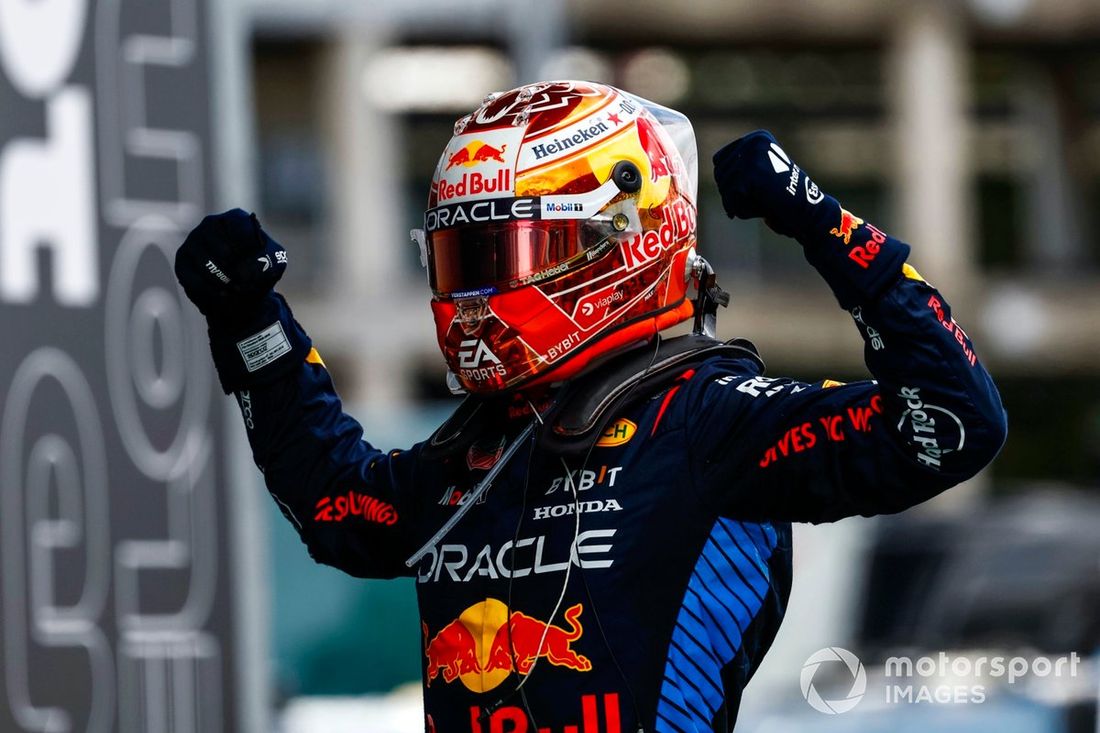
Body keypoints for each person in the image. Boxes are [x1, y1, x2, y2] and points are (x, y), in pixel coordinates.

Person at [174, 81, 1007, 733]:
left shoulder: (708, 419)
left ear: (623, 236)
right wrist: (252, 324)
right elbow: (334, 503)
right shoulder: (482, 446)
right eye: (460, 256)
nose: (474, 295)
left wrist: (818, 220)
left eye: (506, 251)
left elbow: (951, 420)